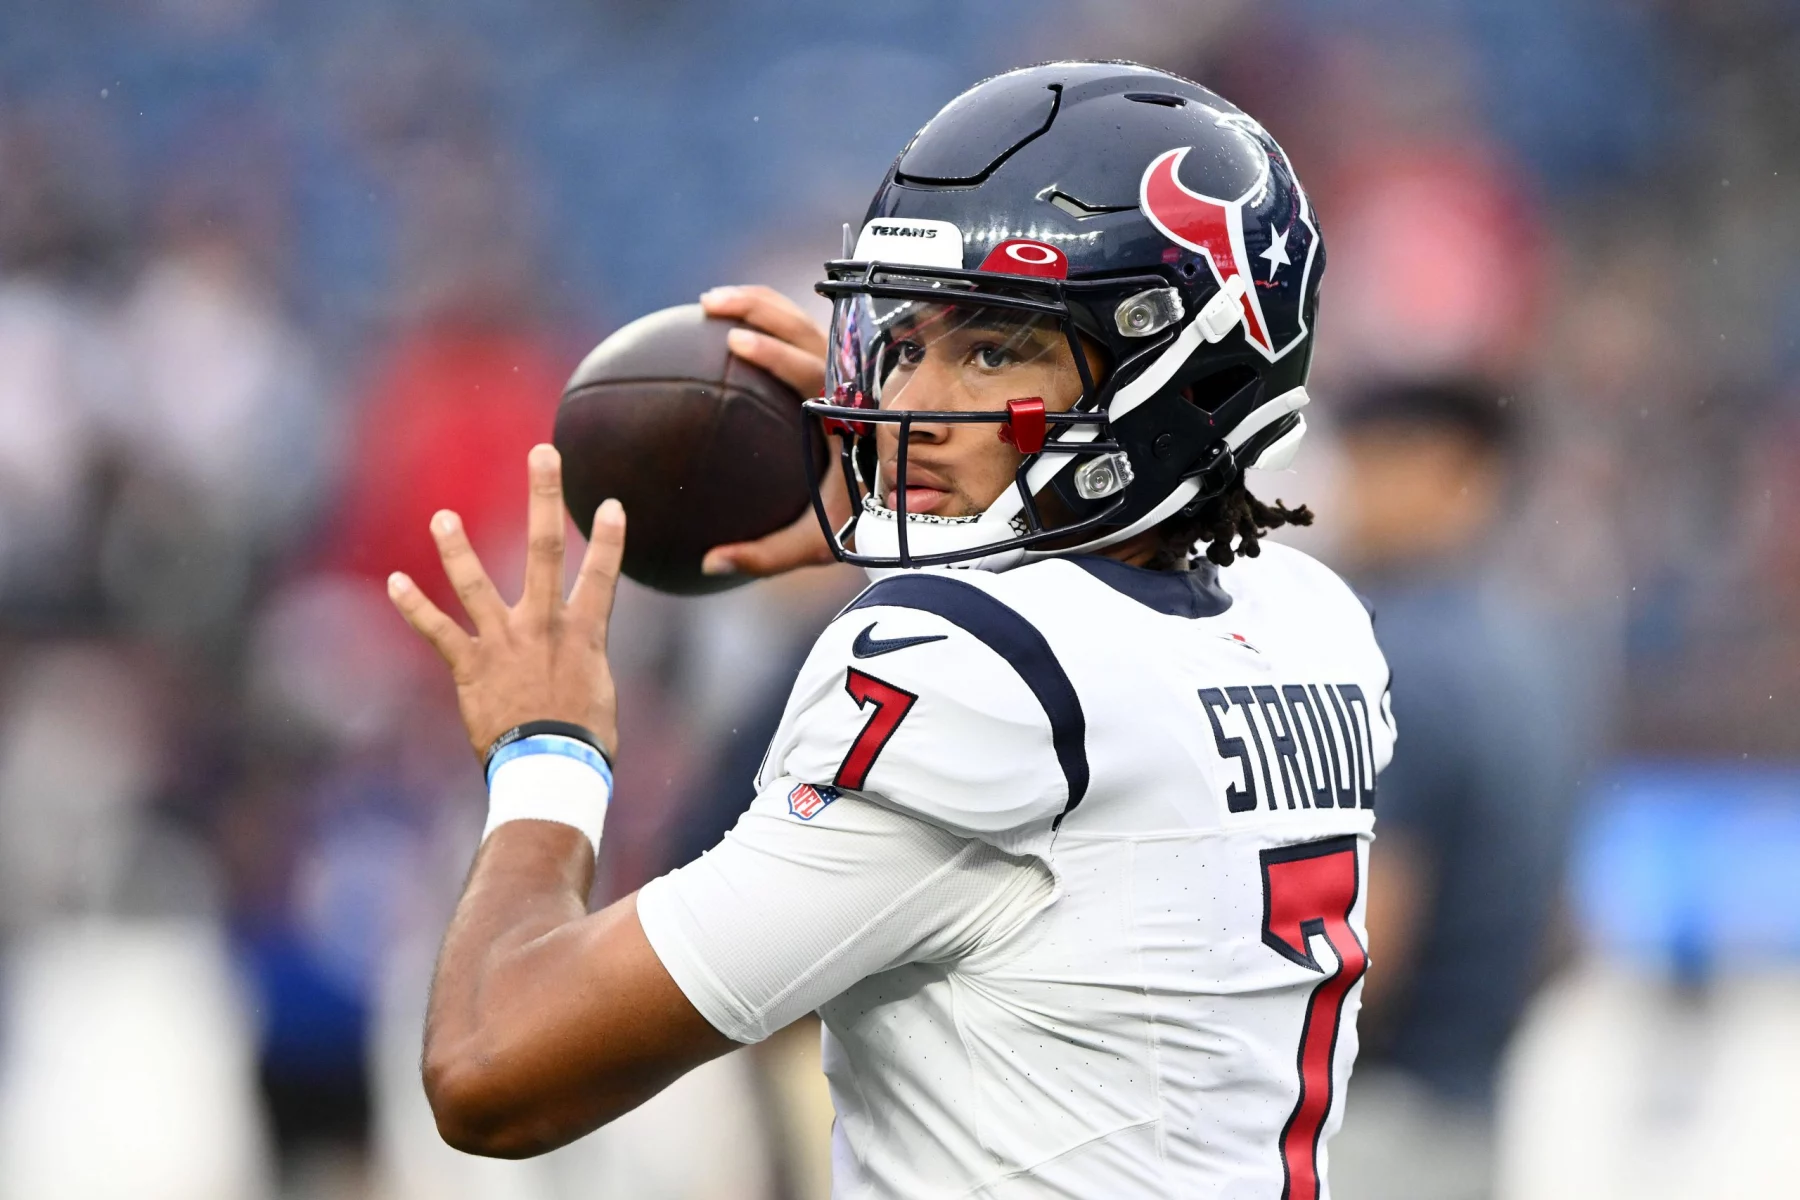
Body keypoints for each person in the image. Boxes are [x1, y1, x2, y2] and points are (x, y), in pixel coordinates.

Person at [388, 62, 1394, 1197]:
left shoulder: (969, 667)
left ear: (1178, 369)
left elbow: (493, 1071)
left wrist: (546, 758)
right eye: (905, 346)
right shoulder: (1310, 621)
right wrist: (927, 491)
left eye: (994, 348)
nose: (907, 403)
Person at [1325, 379, 1580, 1200]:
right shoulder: (1538, 652)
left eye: (1380, 462)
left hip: (1372, 1127)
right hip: (1472, 1117)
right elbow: (1566, 931)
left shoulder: (1401, 657)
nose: (1352, 490)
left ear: (1456, 472)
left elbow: (1370, 941)